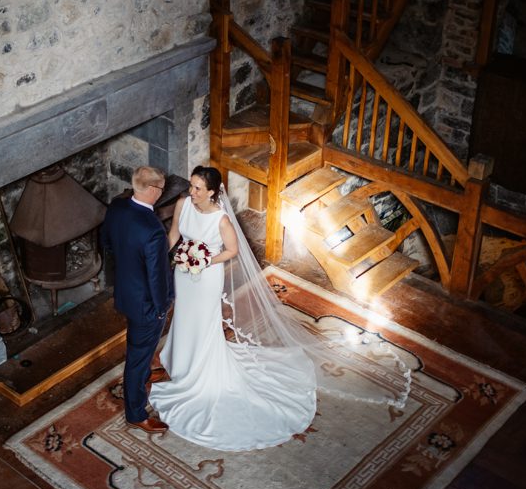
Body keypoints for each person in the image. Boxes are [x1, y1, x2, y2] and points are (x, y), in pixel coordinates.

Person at [150, 165, 412, 451]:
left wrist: (204, 260)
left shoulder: (221, 220)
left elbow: (232, 251)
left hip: (206, 276)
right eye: (191, 186)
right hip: (184, 273)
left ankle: (200, 370)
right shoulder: (183, 204)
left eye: (198, 188)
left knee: (203, 321)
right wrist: (164, 259)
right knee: (184, 317)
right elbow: (174, 235)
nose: (192, 191)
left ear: (212, 192)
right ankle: (180, 359)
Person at [101, 166, 174, 434]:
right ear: (153, 190)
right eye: (161, 189)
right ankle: (135, 413)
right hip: (146, 303)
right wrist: (161, 307)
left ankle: (144, 374)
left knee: (140, 349)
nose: (161, 193)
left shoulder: (117, 207)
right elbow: (157, 276)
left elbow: (107, 242)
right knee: (137, 356)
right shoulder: (153, 229)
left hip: (125, 292)